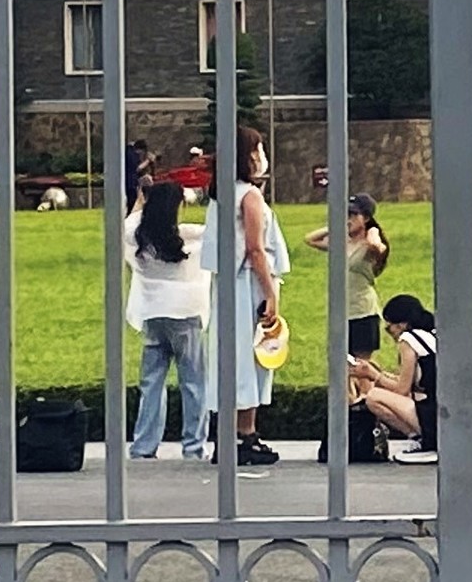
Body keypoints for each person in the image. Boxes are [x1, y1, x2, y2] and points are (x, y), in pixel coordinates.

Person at [125, 178, 211, 460]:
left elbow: (130, 222)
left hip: (152, 314)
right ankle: (193, 446)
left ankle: (144, 446)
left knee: (151, 383)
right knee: (194, 384)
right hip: (186, 313)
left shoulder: (137, 238)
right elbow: (219, 230)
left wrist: (141, 199)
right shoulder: (191, 239)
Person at [220, 124, 289, 467]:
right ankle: (245, 433)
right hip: (249, 282)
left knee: (236, 357)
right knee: (253, 357)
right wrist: (270, 293)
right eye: (257, 150)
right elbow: (256, 248)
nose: (262, 156)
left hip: (231, 282)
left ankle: (234, 433)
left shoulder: (224, 194)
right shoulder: (249, 196)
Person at [306, 194, 390, 365]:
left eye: (353, 215)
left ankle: (375, 384)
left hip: (363, 311)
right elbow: (310, 239)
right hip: (342, 311)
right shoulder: (342, 242)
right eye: (345, 214)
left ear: (366, 218)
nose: (348, 219)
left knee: (362, 365)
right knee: (342, 362)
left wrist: (372, 230)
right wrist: (335, 225)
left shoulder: (368, 246)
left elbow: (377, 246)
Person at [351, 293, 437, 449]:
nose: (389, 333)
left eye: (389, 328)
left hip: (431, 415)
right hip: (438, 409)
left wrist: (374, 375)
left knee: (373, 397)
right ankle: (422, 438)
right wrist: (382, 375)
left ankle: (419, 437)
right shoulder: (430, 335)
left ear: (402, 325)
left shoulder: (408, 340)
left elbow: (402, 390)